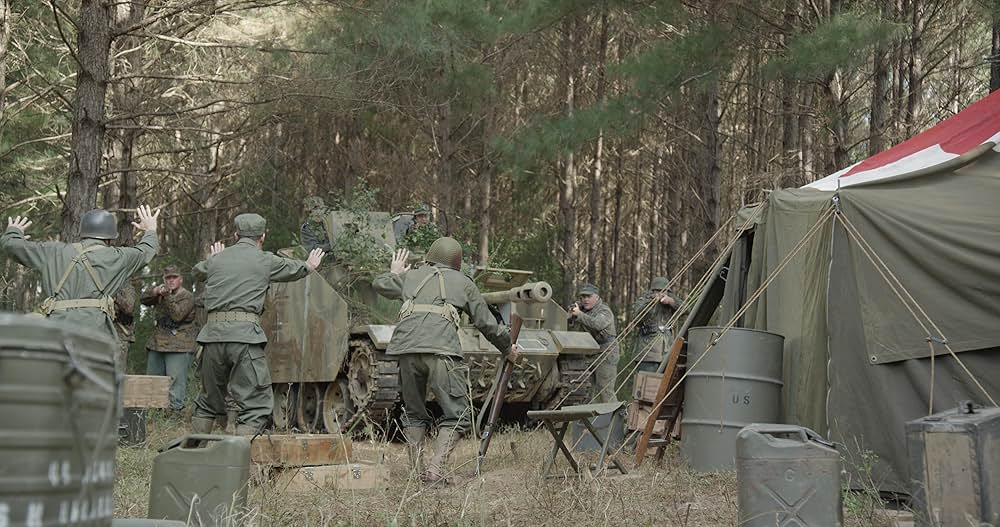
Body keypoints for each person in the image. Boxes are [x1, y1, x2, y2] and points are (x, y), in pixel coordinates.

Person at [372, 238, 516, 483]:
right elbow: (486, 323)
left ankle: (417, 472)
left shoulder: (412, 277)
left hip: (405, 350)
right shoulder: (463, 283)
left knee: (414, 413)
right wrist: (507, 348)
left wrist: (395, 272)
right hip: (441, 350)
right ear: (457, 262)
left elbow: (380, 283)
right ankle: (435, 471)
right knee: (458, 414)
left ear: (430, 256)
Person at [190, 213, 324, 435]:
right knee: (257, 403)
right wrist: (310, 265)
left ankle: (192, 455)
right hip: (244, 338)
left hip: (211, 338)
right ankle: (237, 460)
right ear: (263, 236)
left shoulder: (217, 260)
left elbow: (198, 270)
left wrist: (216, 258)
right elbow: (296, 269)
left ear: (235, 235)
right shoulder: (265, 260)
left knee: (208, 401)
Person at [0, 206, 160, 338]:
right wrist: (150, 229)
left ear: (83, 231)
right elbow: (147, 249)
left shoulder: (53, 252)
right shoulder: (119, 257)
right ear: (111, 238)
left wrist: (14, 230)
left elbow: (11, 246)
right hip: (94, 334)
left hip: (56, 330)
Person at [141, 265, 198, 412]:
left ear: (181, 279)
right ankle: (152, 414)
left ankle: (174, 416)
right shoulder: (161, 293)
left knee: (175, 383)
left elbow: (177, 315)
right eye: (168, 278)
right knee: (153, 381)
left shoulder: (187, 296)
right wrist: (155, 291)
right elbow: (144, 299)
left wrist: (167, 296)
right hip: (157, 343)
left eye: (174, 277)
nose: (171, 281)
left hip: (179, 345)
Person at [568, 283, 619, 403]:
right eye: (583, 297)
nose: (585, 300)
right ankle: (586, 420)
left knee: (605, 390)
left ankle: (616, 419)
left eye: (589, 296)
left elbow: (597, 324)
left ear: (597, 297)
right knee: (585, 390)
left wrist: (579, 315)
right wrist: (571, 316)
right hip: (589, 352)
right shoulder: (584, 311)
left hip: (606, 352)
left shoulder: (604, 311)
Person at [629, 276, 677, 373]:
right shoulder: (643, 301)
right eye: (658, 291)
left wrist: (671, 302)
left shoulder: (671, 300)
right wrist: (652, 303)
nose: (661, 293)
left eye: (664, 291)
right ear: (653, 291)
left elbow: (686, 310)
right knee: (646, 383)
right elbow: (637, 317)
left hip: (666, 352)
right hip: (647, 353)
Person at [113, 279, 139, 370]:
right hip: (102, 333)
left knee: (117, 372)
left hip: (120, 336)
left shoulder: (124, 285)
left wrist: (113, 294)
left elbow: (129, 307)